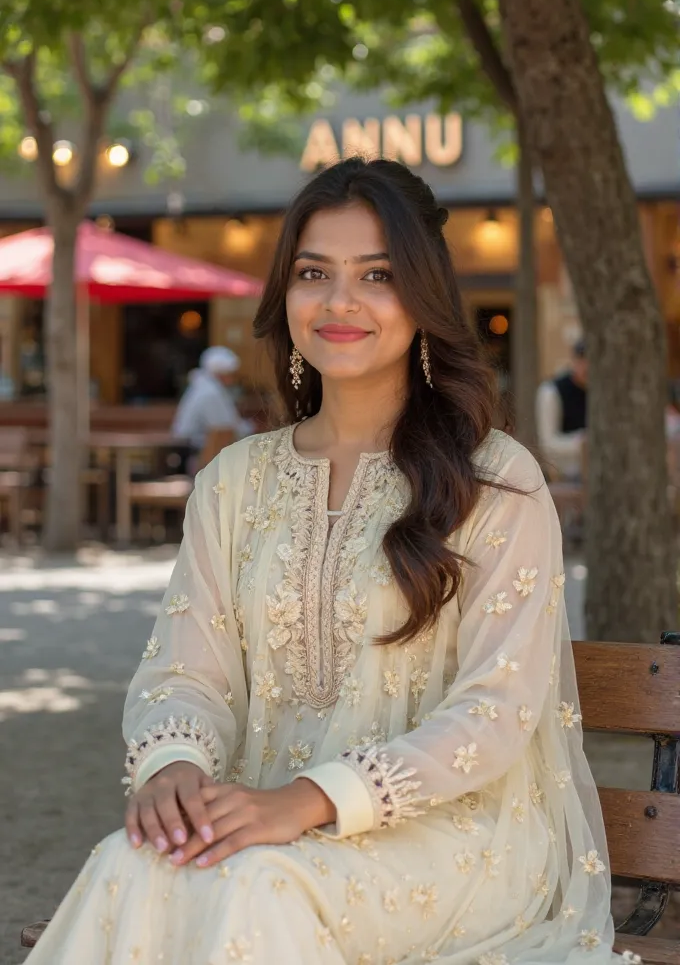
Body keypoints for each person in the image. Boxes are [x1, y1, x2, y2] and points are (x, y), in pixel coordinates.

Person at [26, 159, 623, 964]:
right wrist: (172, 765)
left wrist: (312, 800)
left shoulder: (493, 477)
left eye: (376, 274)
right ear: (286, 294)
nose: (340, 301)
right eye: (315, 273)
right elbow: (186, 675)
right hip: (259, 820)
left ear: (422, 297)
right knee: (129, 861)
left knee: (255, 885)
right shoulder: (234, 483)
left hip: (456, 839)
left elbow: (497, 713)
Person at [171, 345, 253, 455]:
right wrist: (250, 428)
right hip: (192, 452)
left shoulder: (204, 386)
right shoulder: (210, 392)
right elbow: (226, 426)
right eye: (231, 374)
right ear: (221, 374)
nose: (233, 379)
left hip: (194, 447)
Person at [536, 339, 588, 481]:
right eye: (582, 360)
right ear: (574, 360)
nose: (587, 366)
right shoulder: (551, 391)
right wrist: (582, 442)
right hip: (565, 474)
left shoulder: (601, 392)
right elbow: (548, 444)